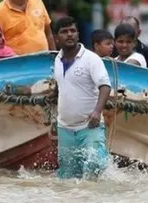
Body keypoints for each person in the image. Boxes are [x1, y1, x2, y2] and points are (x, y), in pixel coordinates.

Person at [53, 16, 111, 180]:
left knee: (95, 166)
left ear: (78, 34)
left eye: (73, 31)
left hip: (89, 127)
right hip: (65, 128)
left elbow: (105, 86)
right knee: (67, 178)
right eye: (64, 32)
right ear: (57, 38)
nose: (69, 35)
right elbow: (61, 89)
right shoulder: (57, 59)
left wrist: (97, 111)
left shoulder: (91, 59)